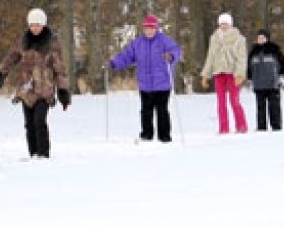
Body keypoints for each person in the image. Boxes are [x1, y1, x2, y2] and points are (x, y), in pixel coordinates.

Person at [0, 8, 70, 158]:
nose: (35, 28)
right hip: (26, 89)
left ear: (43, 25)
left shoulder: (52, 43)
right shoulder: (23, 41)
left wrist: (63, 90)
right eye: (32, 25)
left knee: (39, 121)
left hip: (44, 89)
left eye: (37, 25)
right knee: (29, 124)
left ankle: (43, 154)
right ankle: (33, 154)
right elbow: (10, 59)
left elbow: (60, 69)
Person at [106, 15, 182, 143]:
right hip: (145, 84)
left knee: (162, 110)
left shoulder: (164, 40)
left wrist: (171, 56)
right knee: (146, 110)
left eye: (152, 28)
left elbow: (176, 50)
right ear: (144, 29)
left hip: (162, 83)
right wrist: (113, 63)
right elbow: (126, 56)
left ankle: (164, 136)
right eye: (147, 28)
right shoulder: (138, 43)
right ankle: (147, 134)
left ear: (156, 28)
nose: (149, 31)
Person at [200, 12, 248, 134]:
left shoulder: (238, 38)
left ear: (230, 24)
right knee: (221, 102)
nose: (223, 26)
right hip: (219, 72)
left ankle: (241, 125)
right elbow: (210, 57)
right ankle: (223, 128)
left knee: (234, 100)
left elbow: (242, 58)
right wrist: (205, 75)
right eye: (221, 24)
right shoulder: (214, 38)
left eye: (225, 24)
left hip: (233, 72)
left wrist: (240, 74)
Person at [247, 28, 284, 131]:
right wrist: (250, 80)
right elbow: (249, 67)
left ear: (267, 38)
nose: (261, 39)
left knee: (274, 107)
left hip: (272, 84)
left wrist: (282, 76)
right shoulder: (253, 52)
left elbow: (283, 64)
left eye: (263, 37)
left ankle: (276, 126)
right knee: (260, 108)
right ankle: (261, 127)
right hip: (258, 84)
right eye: (259, 37)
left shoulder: (275, 50)